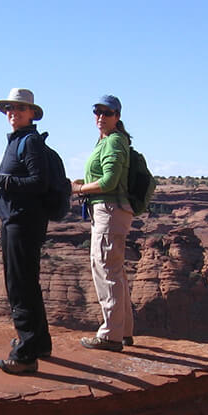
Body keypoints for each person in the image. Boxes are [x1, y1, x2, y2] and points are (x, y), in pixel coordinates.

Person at [0, 88, 54, 374]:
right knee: (26, 283)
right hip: (18, 221)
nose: (13, 112)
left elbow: (38, 183)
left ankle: (25, 355)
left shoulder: (30, 142)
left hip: (23, 223)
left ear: (32, 113)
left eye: (20, 108)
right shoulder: (19, 141)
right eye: (9, 108)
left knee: (20, 287)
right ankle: (39, 342)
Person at [71, 95, 134, 352]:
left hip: (109, 211)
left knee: (106, 270)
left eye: (107, 113)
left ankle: (110, 336)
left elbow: (108, 182)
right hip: (108, 210)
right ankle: (124, 331)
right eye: (96, 111)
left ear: (117, 116)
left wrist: (79, 189)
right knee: (115, 271)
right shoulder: (107, 140)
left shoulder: (115, 141)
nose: (100, 116)